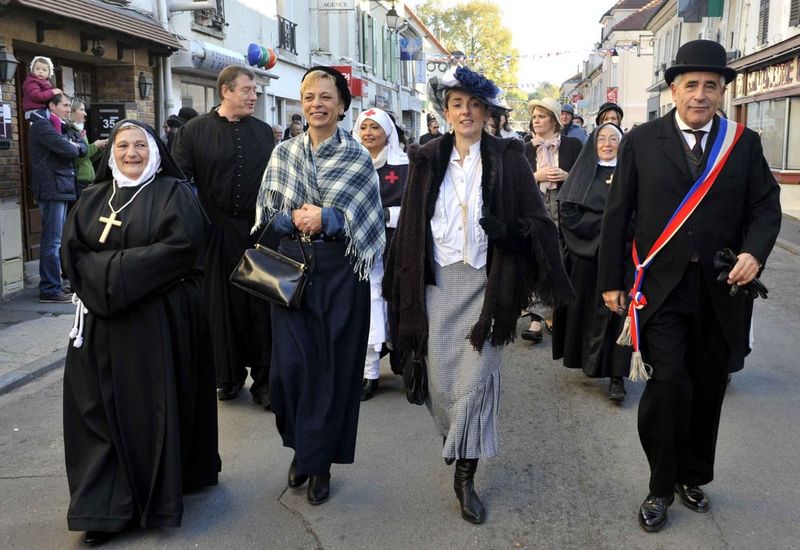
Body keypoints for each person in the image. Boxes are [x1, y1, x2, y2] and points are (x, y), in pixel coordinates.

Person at [598, 40, 781, 533]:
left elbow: (765, 207)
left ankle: (692, 475)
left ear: (723, 92)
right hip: (661, 288)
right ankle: (660, 485)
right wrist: (611, 280)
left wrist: (754, 253)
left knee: (707, 388)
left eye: (712, 86)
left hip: (722, 290)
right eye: (692, 85)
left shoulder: (743, 143)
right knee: (668, 383)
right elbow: (620, 213)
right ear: (674, 90)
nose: (701, 94)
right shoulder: (642, 140)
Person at [383, 66, 574, 525]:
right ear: (446, 112)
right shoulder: (426, 159)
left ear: (488, 112)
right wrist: (401, 289)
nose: (465, 112)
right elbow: (409, 228)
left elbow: (538, 224)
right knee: (440, 385)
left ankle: (465, 476)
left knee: (473, 384)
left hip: (490, 288)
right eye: (456, 104)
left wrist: (510, 232)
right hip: (438, 284)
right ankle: (457, 440)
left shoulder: (508, 157)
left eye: (473, 104)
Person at [61, 120, 219, 546]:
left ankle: (153, 497)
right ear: (111, 152)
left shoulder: (174, 194)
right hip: (97, 327)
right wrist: (104, 280)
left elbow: (181, 248)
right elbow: (72, 255)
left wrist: (106, 273)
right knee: (95, 415)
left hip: (154, 324)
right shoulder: (92, 198)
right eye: (124, 145)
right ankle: (103, 508)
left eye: (140, 146)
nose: (132, 153)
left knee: (148, 413)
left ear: (155, 151)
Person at [256, 66, 384, 506]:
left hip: (340, 273)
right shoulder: (283, 154)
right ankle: (300, 444)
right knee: (289, 371)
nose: (316, 103)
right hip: (292, 269)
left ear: (342, 105)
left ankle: (319, 464)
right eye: (309, 95)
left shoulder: (358, 157)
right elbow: (266, 213)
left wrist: (328, 218)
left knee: (331, 372)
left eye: (326, 96)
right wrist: (292, 217)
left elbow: (367, 222)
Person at [172, 65, 275, 407]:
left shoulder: (264, 133)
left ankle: (264, 380)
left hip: (256, 232)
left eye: (255, 90)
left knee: (261, 305)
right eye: (247, 89)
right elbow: (180, 183)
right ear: (226, 91)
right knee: (219, 307)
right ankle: (226, 377)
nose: (253, 96)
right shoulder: (193, 132)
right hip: (213, 232)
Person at [552, 123, 631, 401]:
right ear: (594, 144)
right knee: (587, 315)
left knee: (618, 317)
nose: (608, 144)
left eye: (614, 139)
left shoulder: (631, 174)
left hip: (622, 258)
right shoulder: (582, 174)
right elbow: (569, 217)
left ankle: (617, 377)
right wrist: (608, 231)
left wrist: (619, 235)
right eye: (602, 139)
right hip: (587, 258)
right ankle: (589, 362)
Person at [352, 107, 408, 401]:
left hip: (395, 243)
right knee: (370, 307)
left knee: (399, 303)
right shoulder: (350, 163)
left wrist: (383, 214)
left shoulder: (404, 165)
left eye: (374, 127)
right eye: (364, 128)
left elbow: (413, 207)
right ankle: (369, 372)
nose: (369, 133)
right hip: (360, 246)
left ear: (387, 131)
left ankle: (407, 364)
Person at [521, 97, 583, 342]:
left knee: (561, 257)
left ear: (555, 120)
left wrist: (566, 175)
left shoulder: (572, 145)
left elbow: (583, 175)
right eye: (534, 117)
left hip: (564, 205)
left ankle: (556, 312)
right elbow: (518, 181)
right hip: (536, 206)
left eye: (541, 116)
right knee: (538, 258)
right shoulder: (527, 147)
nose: (536, 121)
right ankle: (537, 318)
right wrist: (537, 175)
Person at [29, 93, 87, 303]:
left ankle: (56, 285)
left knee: (58, 239)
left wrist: (75, 146)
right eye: (64, 105)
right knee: (52, 241)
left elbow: (81, 148)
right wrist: (74, 146)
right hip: (51, 187)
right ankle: (49, 288)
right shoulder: (42, 126)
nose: (67, 109)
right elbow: (68, 149)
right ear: (52, 106)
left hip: (61, 186)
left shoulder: (60, 126)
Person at [66, 97, 107, 198]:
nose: (85, 114)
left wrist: (99, 149)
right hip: (78, 182)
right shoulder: (68, 131)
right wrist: (95, 146)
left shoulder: (80, 130)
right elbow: (76, 159)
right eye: (81, 110)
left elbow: (86, 159)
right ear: (71, 111)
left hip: (87, 182)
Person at [22, 56, 62, 120]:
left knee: (57, 118)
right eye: (37, 69)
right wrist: (52, 92)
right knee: (51, 119)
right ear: (32, 70)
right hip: (33, 111)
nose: (40, 71)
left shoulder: (47, 84)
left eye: (44, 70)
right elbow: (37, 96)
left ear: (49, 73)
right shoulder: (32, 82)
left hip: (42, 110)